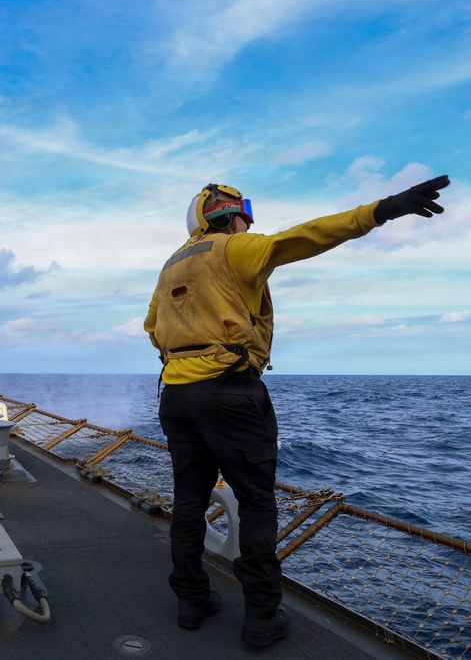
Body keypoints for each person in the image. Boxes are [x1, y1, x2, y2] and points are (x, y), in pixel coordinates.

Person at [143, 176, 450, 647]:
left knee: (188, 502)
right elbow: (307, 236)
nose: (249, 219)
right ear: (224, 214)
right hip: (230, 393)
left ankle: (190, 601)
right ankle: (262, 616)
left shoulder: (169, 267)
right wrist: (384, 208)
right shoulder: (234, 248)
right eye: (244, 209)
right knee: (259, 502)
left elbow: (151, 327)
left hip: (177, 396)